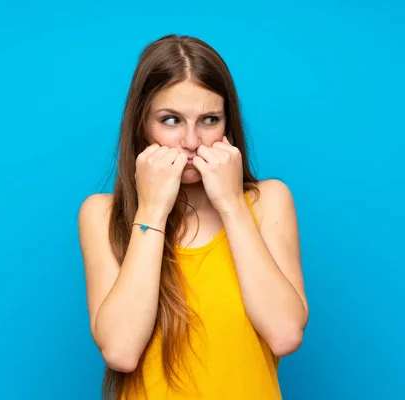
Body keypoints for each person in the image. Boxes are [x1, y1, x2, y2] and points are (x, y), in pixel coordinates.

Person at [78, 34, 309, 400]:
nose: (191, 141)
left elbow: (285, 334)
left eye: (209, 120)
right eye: (170, 120)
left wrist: (231, 204)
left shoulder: (268, 203)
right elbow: (120, 351)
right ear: (142, 126)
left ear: (227, 125)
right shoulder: (102, 215)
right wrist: (152, 210)